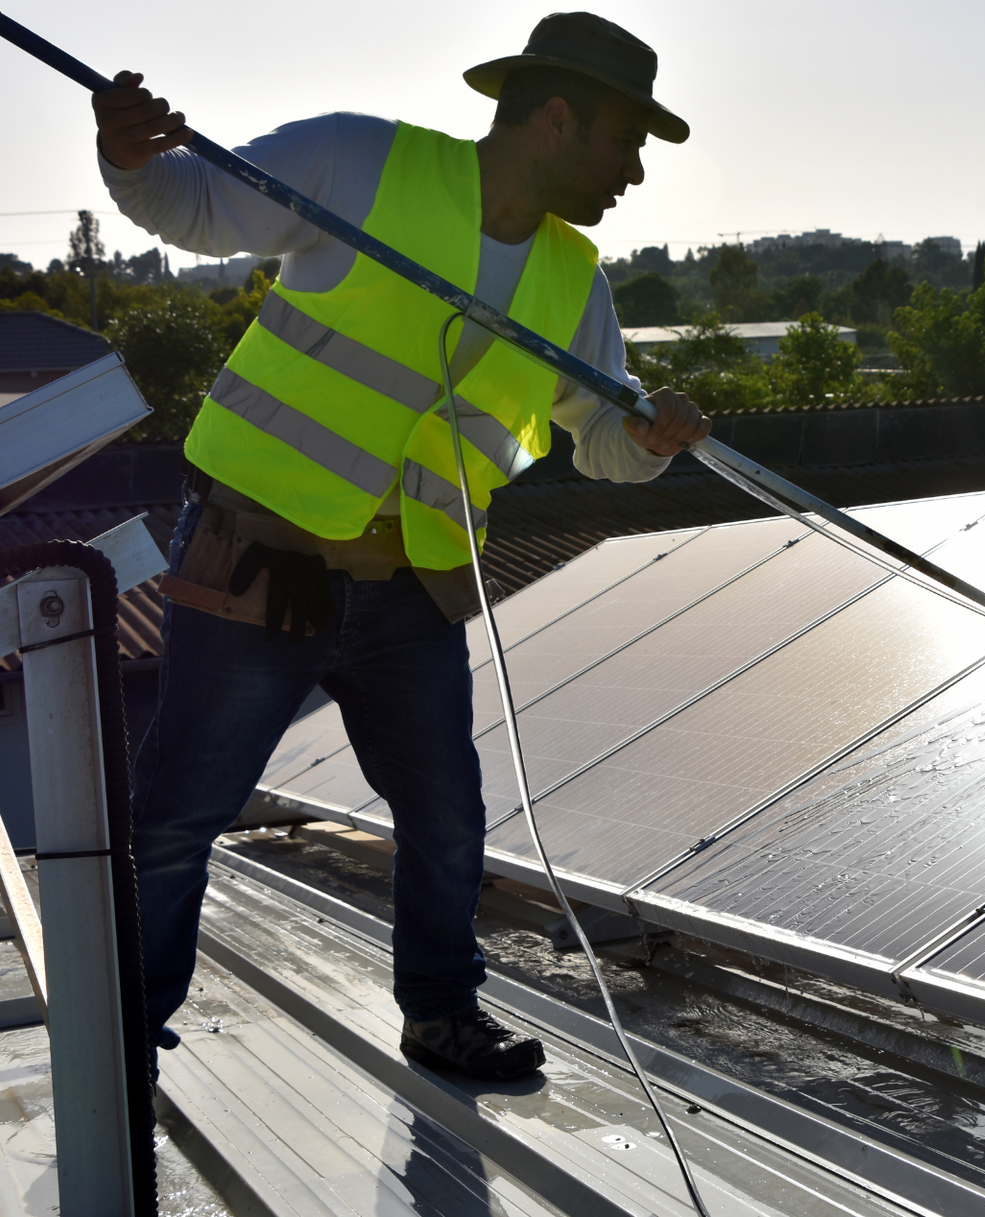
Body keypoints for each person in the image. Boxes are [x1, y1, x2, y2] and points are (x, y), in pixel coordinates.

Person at [92, 11, 709, 1083]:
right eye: (625, 140)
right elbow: (184, 203)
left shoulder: (576, 281)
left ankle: (440, 1014)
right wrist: (126, 152)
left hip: (409, 585)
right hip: (258, 557)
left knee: (447, 818)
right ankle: (126, 1041)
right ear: (557, 119)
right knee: (180, 815)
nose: (635, 172)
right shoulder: (359, 161)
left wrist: (649, 438)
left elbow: (603, 440)